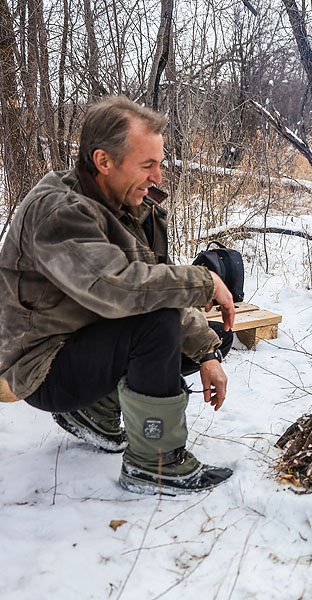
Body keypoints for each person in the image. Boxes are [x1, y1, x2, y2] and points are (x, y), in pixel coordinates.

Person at [0, 96, 237, 495]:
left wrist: (208, 353)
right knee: (155, 323)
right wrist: (205, 281)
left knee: (206, 337)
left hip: (81, 340)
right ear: (104, 161)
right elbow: (119, 288)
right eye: (147, 165)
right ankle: (155, 465)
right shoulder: (60, 211)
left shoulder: (124, 205)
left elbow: (152, 284)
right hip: (41, 368)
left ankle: (95, 413)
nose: (157, 178)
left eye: (160, 163)